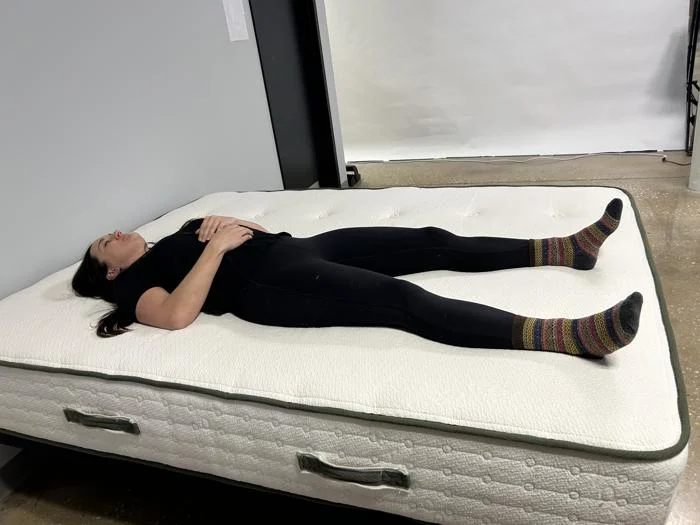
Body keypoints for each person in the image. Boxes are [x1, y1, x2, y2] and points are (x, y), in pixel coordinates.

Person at [72, 198, 642, 358]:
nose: (115, 232)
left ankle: (567, 249)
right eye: (104, 242)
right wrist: (216, 247)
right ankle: (572, 337)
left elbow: (257, 231)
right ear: (111, 268)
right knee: (402, 299)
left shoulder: (177, 233)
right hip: (269, 288)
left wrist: (229, 222)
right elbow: (175, 316)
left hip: (296, 248)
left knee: (430, 240)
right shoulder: (132, 283)